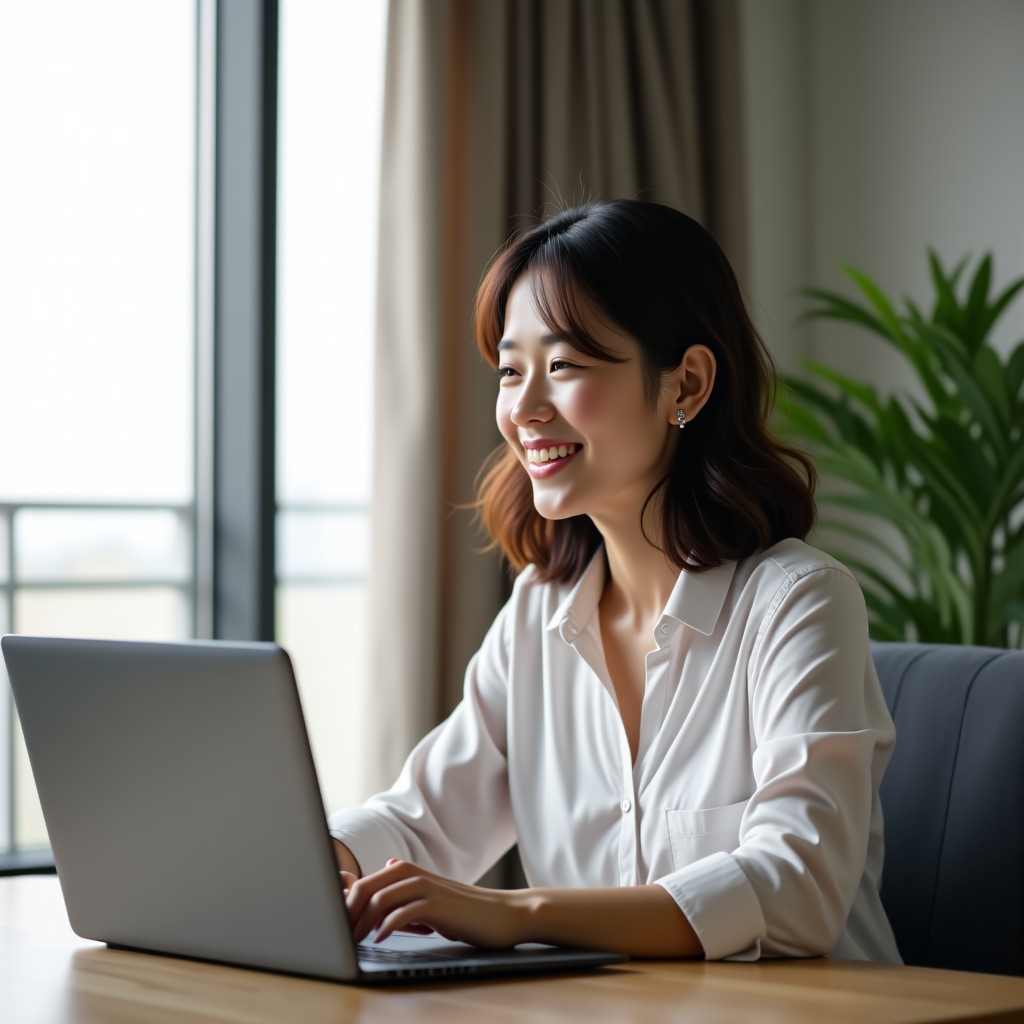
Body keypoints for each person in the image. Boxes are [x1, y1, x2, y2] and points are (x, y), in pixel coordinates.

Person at [328, 199, 902, 963]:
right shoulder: (537, 615)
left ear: (686, 386)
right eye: (509, 371)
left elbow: (796, 888)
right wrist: (324, 863)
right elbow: (423, 820)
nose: (525, 409)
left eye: (563, 366)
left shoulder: (798, 602)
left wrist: (519, 912)